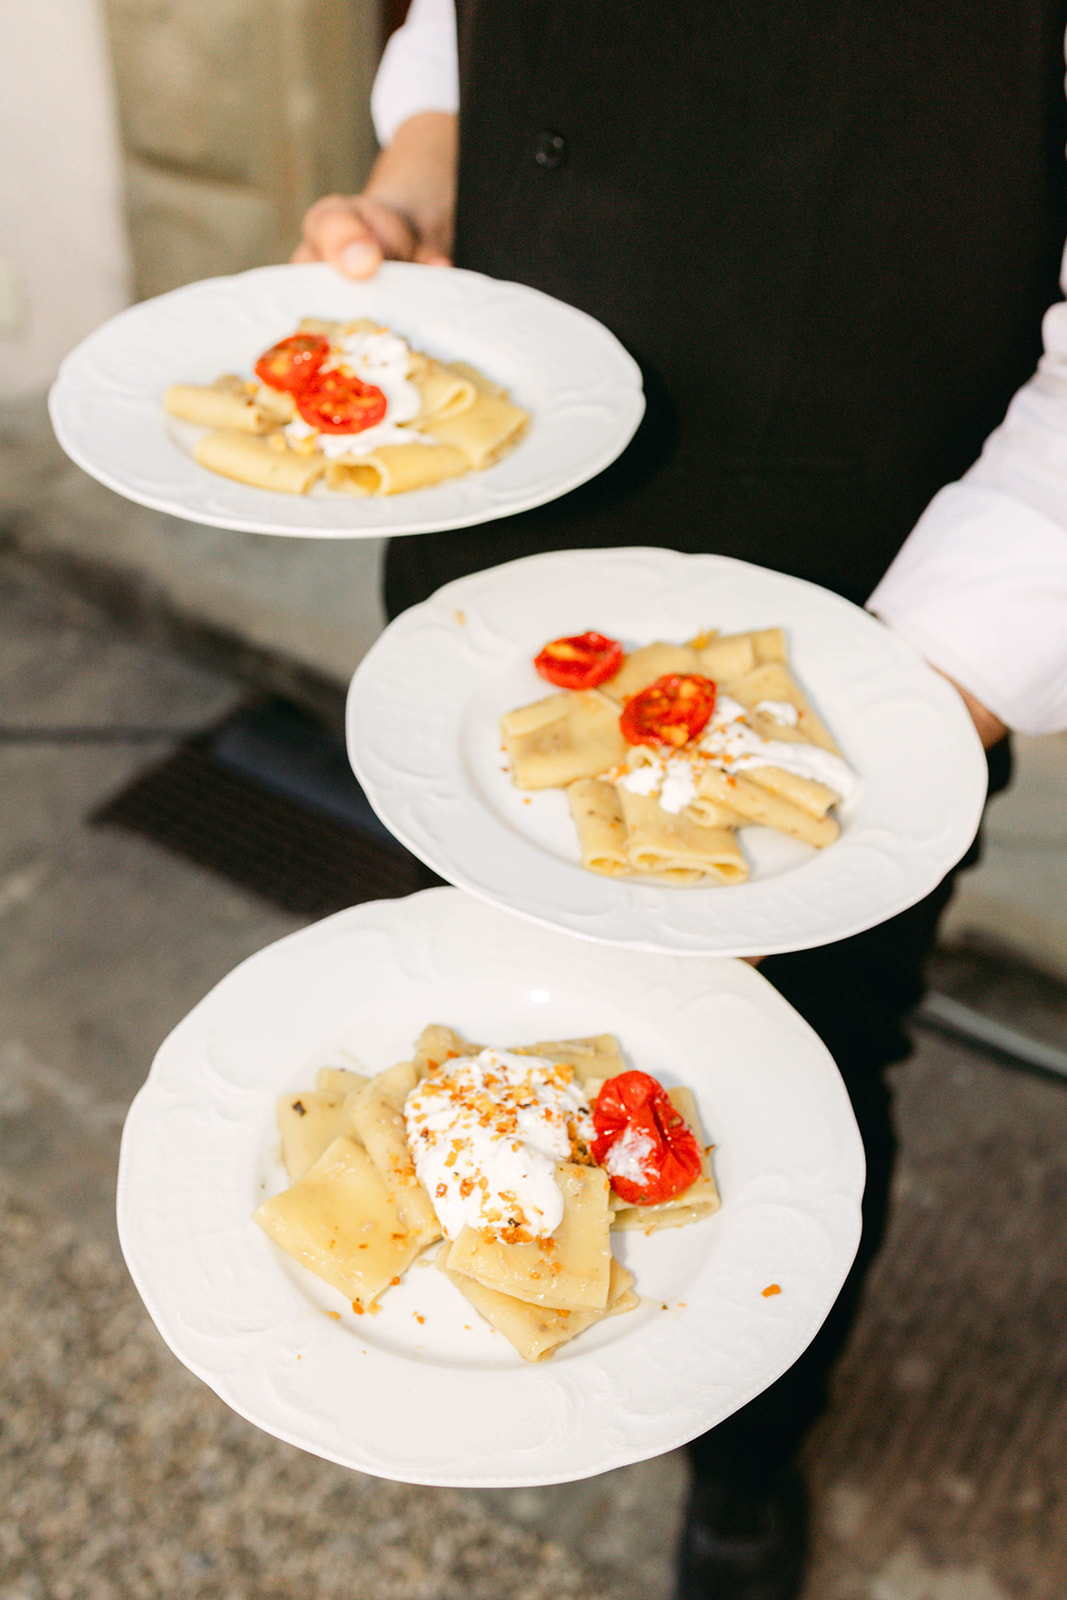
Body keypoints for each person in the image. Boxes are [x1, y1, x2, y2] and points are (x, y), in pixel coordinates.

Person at [296, 4, 1067, 1596]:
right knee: (468, 999)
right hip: (497, 556)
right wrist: (431, 163)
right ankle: (484, 1332)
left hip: (862, 611)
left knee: (804, 1071)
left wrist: (891, 716)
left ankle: (748, 1465)